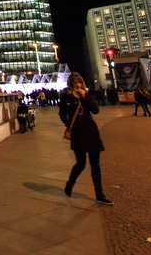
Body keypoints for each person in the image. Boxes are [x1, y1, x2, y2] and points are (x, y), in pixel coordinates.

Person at [59, 72, 112, 205]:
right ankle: (70, 183)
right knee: (81, 164)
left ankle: (99, 195)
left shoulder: (86, 94)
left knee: (95, 165)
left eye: (80, 82)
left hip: (90, 130)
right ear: (70, 84)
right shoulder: (66, 96)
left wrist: (85, 96)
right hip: (78, 132)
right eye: (75, 83)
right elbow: (62, 113)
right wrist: (70, 126)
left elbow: (95, 110)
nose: (78, 85)